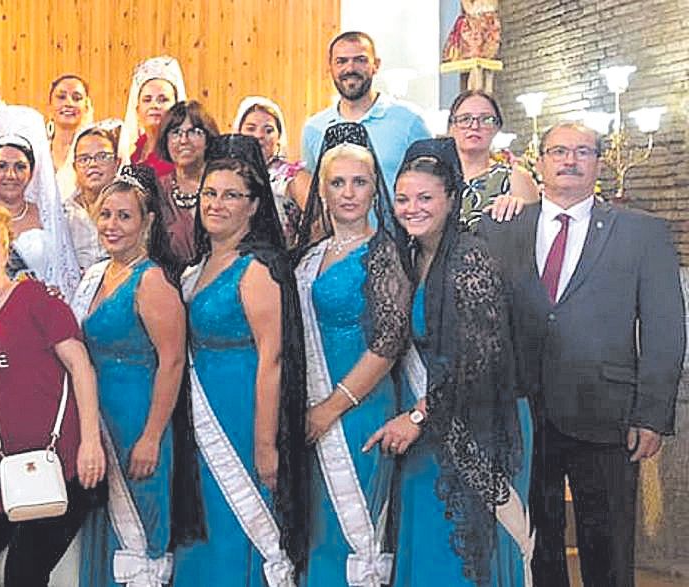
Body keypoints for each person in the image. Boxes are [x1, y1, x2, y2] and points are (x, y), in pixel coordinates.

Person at [479, 123, 684, 587]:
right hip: (523, 414)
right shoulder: (501, 228)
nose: (569, 160)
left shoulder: (641, 233)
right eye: (558, 151)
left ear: (599, 162)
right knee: (537, 545)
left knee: (608, 548)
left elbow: (664, 329)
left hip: (608, 415)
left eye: (582, 152)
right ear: (540, 161)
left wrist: (651, 415)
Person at [368, 137, 533, 586]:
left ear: (450, 199)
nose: (412, 208)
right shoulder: (412, 255)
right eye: (402, 198)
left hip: (471, 426)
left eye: (425, 198)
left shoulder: (470, 258)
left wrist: (419, 415)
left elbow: (478, 362)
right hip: (427, 424)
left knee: (458, 555)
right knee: (424, 547)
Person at [0, 202, 106, 586]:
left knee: (24, 574)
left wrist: (90, 443)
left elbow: (80, 367)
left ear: (5, 251)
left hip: (60, 465)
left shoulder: (35, 300)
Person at [171, 138, 311, 586]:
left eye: (232, 195)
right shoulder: (198, 265)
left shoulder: (258, 268)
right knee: (205, 531)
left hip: (242, 414)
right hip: (198, 410)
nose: (216, 204)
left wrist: (267, 443)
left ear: (254, 206)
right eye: (210, 193)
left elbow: (273, 359)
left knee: (240, 523)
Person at [72, 164, 205, 586]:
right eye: (106, 214)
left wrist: (152, 436)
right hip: (99, 424)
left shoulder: (152, 282)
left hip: (138, 424)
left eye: (124, 216)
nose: (112, 225)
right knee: (106, 535)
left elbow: (173, 362)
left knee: (141, 537)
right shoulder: (97, 276)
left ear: (147, 222)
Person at [293, 123, 411, 587]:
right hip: (311, 411)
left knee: (357, 533)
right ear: (321, 191)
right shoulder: (308, 257)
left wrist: (330, 408)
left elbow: (389, 342)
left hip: (358, 409)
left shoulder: (384, 253)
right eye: (337, 183)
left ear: (374, 187)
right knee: (318, 531)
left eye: (359, 182)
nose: (348, 193)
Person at [0, 105, 81, 297]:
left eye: (20, 167)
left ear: (31, 172)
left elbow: (61, 273)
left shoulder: (49, 217)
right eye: (1, 166)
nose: (10, 175)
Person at [300, 31, 430, 191]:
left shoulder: (409, 121)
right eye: (341, 61)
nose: (350, 68)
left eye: (360, 60)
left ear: (376, 65)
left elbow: (431, 185)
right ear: (330, 68)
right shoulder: (314, 128)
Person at [445, 90, 538, 226]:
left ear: (497, 127)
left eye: (486, 119)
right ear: (452, 126)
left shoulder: (515, 178)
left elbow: (531, 236)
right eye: (465, 119)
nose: (475, 126)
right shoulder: (435, 177)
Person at [233, 96, 311, 246]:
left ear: (279, 137)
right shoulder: (226, 175)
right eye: (251, 129)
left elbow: (319, 222)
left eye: (268, 130)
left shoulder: (293, 176)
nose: (259, 136)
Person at [154, 101, 222, 267]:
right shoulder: (156, 191)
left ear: (208, 138)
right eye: (175, 132)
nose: (183, 140)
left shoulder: (225, 186)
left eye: (194, 132)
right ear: (166, 140)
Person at [118, 56, 187, 178]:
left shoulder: (182, 152)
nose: (154, 105)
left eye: (163, 99)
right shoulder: (133, 153)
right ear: (138, 109)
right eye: (147, 99)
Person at [65, 123, 122, 270]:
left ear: (117, 163)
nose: (93, 164)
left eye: (102, 157)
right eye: (84, 159)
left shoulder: (132, 208)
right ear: (74, 167)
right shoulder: (64, 213)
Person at [48, 74, 95, 198]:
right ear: (50, 106)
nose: (69, 103)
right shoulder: (38, 148)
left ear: (86, 107)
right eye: (61, 97)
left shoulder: (94, 152)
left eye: (77, 98)